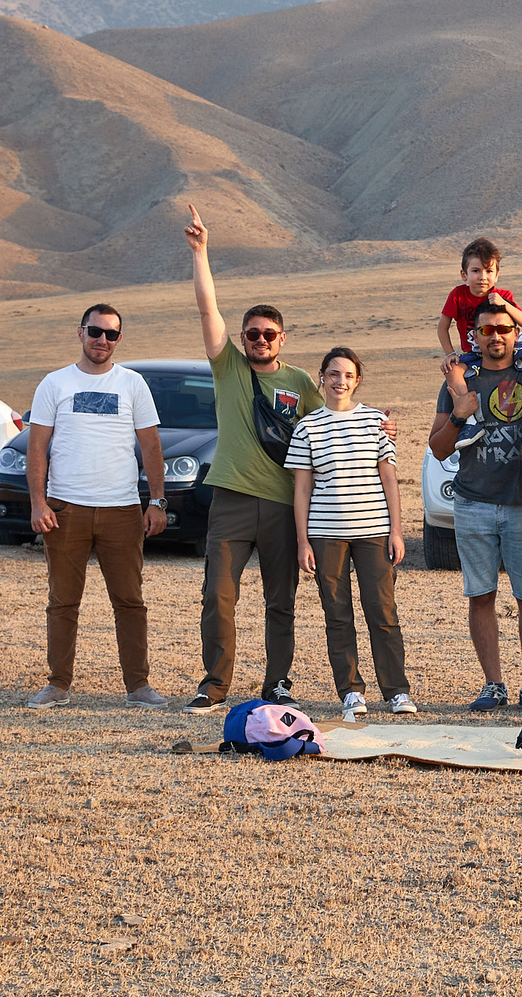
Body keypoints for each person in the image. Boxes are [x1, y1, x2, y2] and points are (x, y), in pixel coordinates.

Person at [180, 205, 329, 714]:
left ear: (282, 339)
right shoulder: (226, 367)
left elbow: (334, 423)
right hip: (232, 499)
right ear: (241, 338)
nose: (259, 340)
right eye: (252, 334)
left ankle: (278, 681)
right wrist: (201, 253)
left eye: (268, 334)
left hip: (287, 504)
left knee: (280, 599)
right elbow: (207, 310)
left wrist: (381, 427)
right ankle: (215, 682)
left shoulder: (301, 381)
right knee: (218, 595)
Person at [24, 303, 168, 710]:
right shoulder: (54, 384)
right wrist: (38, 502)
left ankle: (138, 687)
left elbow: (151, 446)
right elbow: (38, 448)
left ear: (119, 339)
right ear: (80, 332)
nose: (102, 340)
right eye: (95, 332)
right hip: (65, 509)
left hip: (121, 510)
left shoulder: (133, 384)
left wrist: (156, 501)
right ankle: (58, 684)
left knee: (129, 601)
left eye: (111, 334)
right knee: (63, 601)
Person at [430, 299, 522, 712]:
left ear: (516, 334)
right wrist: (460, 416)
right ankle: (492, 684)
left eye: (503, 328)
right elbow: (439, 447)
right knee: (481, 595)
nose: (495, 336)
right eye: (486, 330)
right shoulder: (462, 381)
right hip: (473, 503)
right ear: (473, 336)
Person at [287, 348, 411, 720]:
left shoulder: (375, 422)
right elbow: (302, 489)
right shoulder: (307, 427)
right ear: (321, 377)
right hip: (326, 534)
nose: (341, 381)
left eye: (348, 375)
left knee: (382, 611)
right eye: (333, 374)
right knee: (337, 614)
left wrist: (397, 531)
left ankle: (397, 691)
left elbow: (389, 478)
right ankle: (351, 691)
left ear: (357, 381)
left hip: (374, 531)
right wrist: (303, 541)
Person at [434, 237, 522, 434]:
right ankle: (471, 420)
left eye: (489, 271)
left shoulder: (503, 294)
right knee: (452, 372)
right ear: (464, 275)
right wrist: (450, 354)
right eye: (476, 271)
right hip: (473, 352)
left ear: (497, 275)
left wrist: (504, 304)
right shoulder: (458, 295)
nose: (483, 277)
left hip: (506, 350)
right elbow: (442, 327)